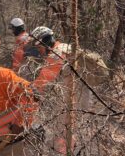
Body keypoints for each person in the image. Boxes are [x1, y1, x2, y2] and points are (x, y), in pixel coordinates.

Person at [28, 26, 73, 155]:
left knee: (62, 129)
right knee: (69, 128)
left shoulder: (55, 55)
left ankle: (64, 153)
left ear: (45, 42)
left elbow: (41, 83)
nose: (39, 51)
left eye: (39, 47)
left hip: (73, 96)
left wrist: (25, 91)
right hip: (78, 92)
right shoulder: (63, 46)